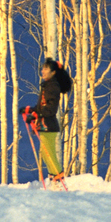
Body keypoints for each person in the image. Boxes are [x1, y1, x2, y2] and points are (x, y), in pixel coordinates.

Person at [22, 57, 72, 185]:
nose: (42, 71)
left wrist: (34, 115)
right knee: (45, 154)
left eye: (46, 69)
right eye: (43, 68)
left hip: (48, 126)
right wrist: (29, 110)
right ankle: (54, 179)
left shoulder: (52, 87)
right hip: (45, 126)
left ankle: (59, 181)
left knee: (48, 154)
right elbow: (41, 107)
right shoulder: (48, 85)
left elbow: (50, 109)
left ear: (53, 72)